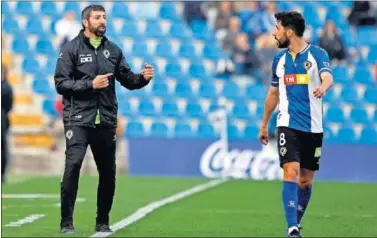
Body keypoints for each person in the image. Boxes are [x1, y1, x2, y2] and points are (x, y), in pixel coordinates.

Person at [54, 5, 154, 234]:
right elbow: (61, 84)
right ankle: (66, 222)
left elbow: (128, 80)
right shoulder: (70, 50)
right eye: (97, 17)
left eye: (104, 17)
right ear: (85, 22)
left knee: (108, 172)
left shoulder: (114, 50)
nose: (102, 21)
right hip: (77, 119)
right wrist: (90, 84)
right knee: (74, 165)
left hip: (106, 120)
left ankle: (102, 221)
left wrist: (143, 78)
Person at [258, 11, 334, 238]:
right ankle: (292, 229)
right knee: (290, 171)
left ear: (289, 32)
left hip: (313, 128)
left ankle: (295, 224)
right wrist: (264, 124)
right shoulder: (278, 61)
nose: (274, 33)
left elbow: (328, 76)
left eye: (278, 28)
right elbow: (273, 94)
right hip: (287, 125)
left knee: (305, 180)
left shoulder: (318, 54)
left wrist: (324, 86)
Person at [1, 64, 13, 184]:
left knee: (2, 147)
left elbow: (8, 105)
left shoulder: (6, 88)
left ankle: (2, 174)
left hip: (2, 118)